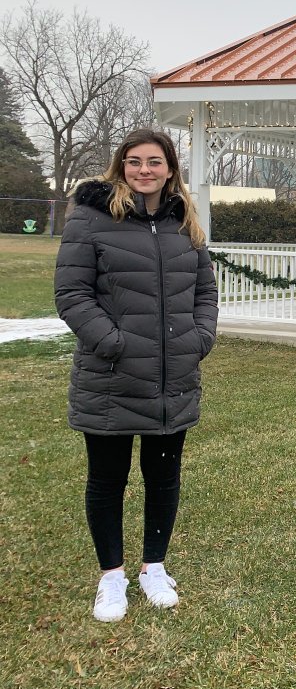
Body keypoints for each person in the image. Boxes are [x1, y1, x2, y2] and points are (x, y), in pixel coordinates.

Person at [55, 129, 219, 622]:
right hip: (111, 377)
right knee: (107, 479)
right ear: (120, 166)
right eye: (133, 161)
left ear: (170, 168)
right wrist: (114, 343)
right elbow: (72, 294)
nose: (143, 170)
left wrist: (199, 339)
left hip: (173, 378)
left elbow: (205, 292)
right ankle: (112, 577)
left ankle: (154, 566)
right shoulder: (90, 218)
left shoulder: (183, 221)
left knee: (163, 477)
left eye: (154, 161)